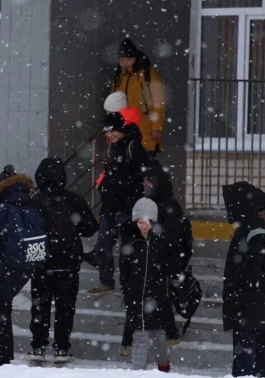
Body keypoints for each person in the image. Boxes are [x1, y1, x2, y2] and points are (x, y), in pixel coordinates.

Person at [26, 158, 99, 364]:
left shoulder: (34, 201)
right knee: (65, 309)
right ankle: (62, 348)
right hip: (68, 264)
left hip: (41, 264)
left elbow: (25, 231)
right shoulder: (74, 200)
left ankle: (38, 346)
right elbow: (90, 228)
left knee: (40, 308)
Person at [0, 165, 47, 366]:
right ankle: (42, 345)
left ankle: (5, 360)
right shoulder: (33, 205)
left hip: (6, 266)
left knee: (2, 311)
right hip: (32, 263)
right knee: (39, 305)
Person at [84, 112, 152, 295]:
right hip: (110, 206)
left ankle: (128, 283)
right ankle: (106, 282)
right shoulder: (110, 149)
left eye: (113, 130)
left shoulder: (132, 146)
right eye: (107, 131)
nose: (110, 135)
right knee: (103, 246)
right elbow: (109, 175)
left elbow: (143, 171)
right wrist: (105, 193)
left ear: (121, 128)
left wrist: (130, 190)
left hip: (127, 207)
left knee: (126, 248)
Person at [222, 182, 265, 377]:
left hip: (248, 302)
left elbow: (250, 268)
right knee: (256, 354)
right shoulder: (258, 226)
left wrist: (235, 287)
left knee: (245, 362)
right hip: (254, 302)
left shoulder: (251, 229)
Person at [144, 166, 193, 344]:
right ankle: (167, 333)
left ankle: (169, 334)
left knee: (161, 298)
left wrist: (159, 262)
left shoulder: (167, 206)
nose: (145, 184)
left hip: (163, 261)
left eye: (149, 181)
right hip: (159, 260)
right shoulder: (154, 203)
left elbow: (170, 239)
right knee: (159, 298)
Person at [122, 197, 171, 372]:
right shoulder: (131, 242)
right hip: (135, 294)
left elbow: (172, 261)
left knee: (158, 333)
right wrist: (125, 289)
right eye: (141, 222)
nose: (144, 225)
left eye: (148, 222)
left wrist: (162, 267)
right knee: (140, 334)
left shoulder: (161, 240)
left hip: (156, 294)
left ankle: (163, 365)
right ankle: (138, 371)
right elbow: (124, 269)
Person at [110, 38, 167, 159]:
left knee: (144, 169)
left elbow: (159, 102)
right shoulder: (119, 77)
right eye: (122, 60)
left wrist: (157, 128)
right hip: (123, 133)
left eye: (128, 59)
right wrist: (111, 131)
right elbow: (112, 106)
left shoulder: (148, 74)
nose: (125, 63)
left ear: (135, 58)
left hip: (145, 132)